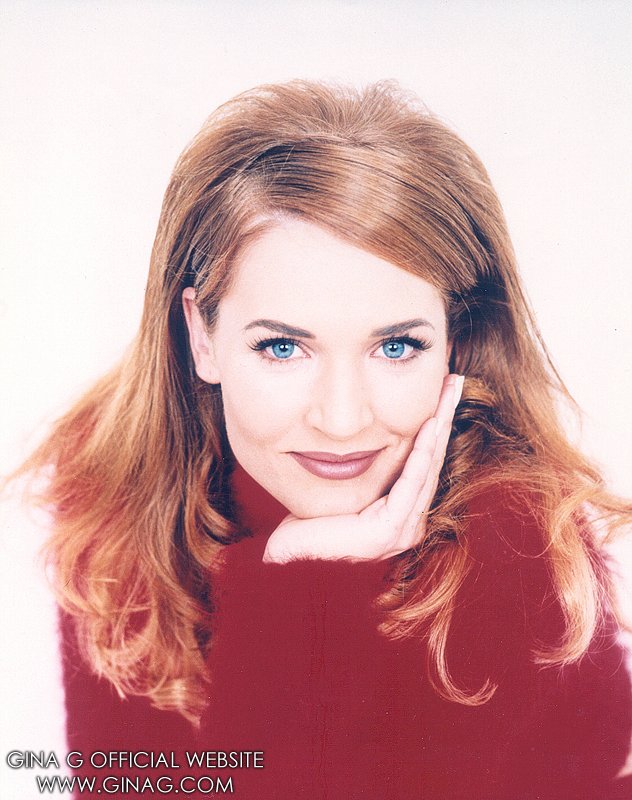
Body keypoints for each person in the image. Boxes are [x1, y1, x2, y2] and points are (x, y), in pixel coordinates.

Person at [19, 80, 632, 799]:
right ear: (201, 335)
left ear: (454, 342)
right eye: (283, 347)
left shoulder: (513, 538)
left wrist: (305, 590)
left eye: (396, 347)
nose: (342, 421)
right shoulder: (116, 480)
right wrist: (294, 575)